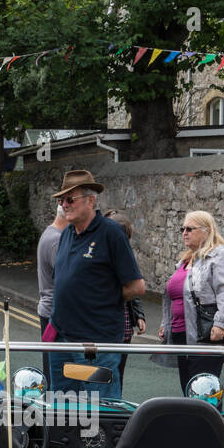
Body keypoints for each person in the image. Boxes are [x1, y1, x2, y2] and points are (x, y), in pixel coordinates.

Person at [49, 169, 145, 400]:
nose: (64, 205)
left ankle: (102, 438)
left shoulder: (110, 233)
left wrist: (102, 299)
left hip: (94, 345)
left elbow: (137, 286)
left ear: (90, 200)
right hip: (63, 341)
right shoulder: (67, 234)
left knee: (99, 409)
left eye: (70, 199)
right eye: (62, 200)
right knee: (64, 408)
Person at [158, 211, 224, 396]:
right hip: (182, 335)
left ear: (206, 231)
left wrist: (221, 324)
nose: (184, 233)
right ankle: (194, 425)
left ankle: (209, 425)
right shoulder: (186, 259)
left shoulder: (220, 255)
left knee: (204, 390)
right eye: (182, 229)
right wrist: (165, 325)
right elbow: (173, 297)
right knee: (189, 388)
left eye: (189, 229)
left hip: (205, 335)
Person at [104, 209, 147, 386]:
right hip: (103, 324)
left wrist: (139, 315)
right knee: (104, 373)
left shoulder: (123, 255)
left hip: (122, 323)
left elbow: (134, 287)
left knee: (115, 373)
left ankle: (112, 407)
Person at [36, 204, 68, 337]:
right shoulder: (56, 239)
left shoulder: (50, 233)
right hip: (55, 314)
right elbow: (66, 279)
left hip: (50, 310)